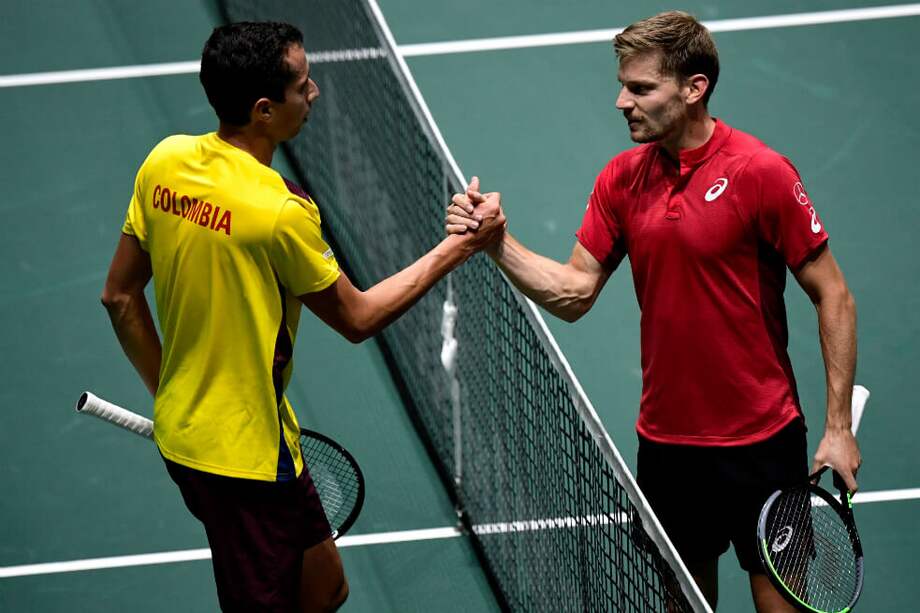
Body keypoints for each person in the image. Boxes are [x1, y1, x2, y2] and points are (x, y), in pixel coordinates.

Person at [446, 11, 859, 612]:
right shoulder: (622, 179)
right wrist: (497, 243)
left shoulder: (760, 173)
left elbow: (834, 295)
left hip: (761, 443)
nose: (621, 101)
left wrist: (838, 427)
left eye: (640, 88)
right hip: (668, 449)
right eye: (623, 85)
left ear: (694, 88)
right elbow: (574, 292)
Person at [101, 21, 504, 613]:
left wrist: (170, 393)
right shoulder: (281, 210)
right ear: (265, 109)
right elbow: (358, 317)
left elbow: (119, 297)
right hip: (242, 459)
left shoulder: (164, 161)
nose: (314, 92)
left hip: (228, 433)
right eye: (303, 85)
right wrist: (460, 247)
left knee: (324, 584)